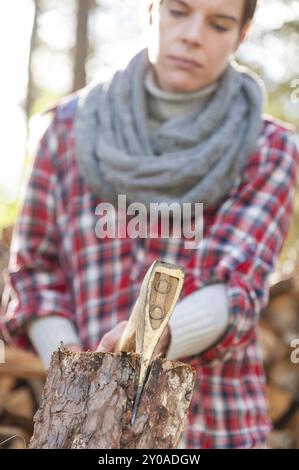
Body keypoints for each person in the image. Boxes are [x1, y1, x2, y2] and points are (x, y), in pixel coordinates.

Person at [1, 0, 298, 449]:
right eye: (179, 12)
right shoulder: (67, 129)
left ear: (241, 34)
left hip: (215, 430)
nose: (193, 35)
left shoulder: (269, 148)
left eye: (219, 24)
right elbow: (36, 272)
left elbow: (238, 286)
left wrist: (152, 338)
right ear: (151, 11)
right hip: (80, 431)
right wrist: (80, 371)